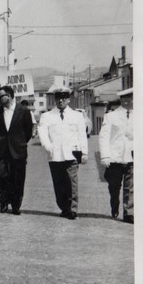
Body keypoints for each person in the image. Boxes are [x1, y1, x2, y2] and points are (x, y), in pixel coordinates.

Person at [38, 88, 88, 219]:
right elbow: (42, 134)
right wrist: (48, 146)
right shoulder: (47, 116)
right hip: (54, 155)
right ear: (55, 99)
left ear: (68, 100)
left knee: (72, 182)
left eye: (64, 98)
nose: (60, 100)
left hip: (72, 155)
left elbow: (82, 135)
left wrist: (84, 153)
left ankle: (73, 209)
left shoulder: (77, 116)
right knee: (59, 183)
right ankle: (64, 208)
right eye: (58, 98)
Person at [0, 85, 34, 215]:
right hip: (1, 150)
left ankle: (16, 205)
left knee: (18, 179)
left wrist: (19, 143)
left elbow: (28, 132)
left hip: (18, 150)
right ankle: (4, 200)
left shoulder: (24, 111)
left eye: (0, 96)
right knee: (0, 175)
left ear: (8, 96)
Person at [99, 88, 134, 223]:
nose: (127, 101)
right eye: (124, 99)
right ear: (120, 100)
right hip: (115, 157)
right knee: (114, 187)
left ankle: (128, 212)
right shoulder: (111, 116)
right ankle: (115, 206)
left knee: (129, 186)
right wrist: (105, 156)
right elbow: (104, 136)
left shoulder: (139, 115)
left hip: (131, 156)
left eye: (129, 98)